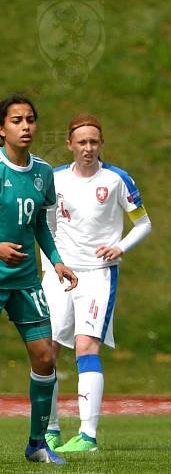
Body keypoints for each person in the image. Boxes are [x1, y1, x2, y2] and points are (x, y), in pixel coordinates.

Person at [42, 114, 151, 453]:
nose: (88, 148)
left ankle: (87, 436)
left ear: (101, 144)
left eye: (94, 142)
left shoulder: (117, 180)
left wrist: (120, 246)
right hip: (59, 275)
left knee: (87, 347)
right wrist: (50, 263)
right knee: (47, 352)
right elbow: (44, 225)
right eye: (82, 142)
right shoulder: (54, 179)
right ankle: (51, 430)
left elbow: (144, 224)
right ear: (69, 144)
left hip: (98, 275)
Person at [0, 94, 78, 464]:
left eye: (30, 119)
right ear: (2, 130)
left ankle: (36, 444)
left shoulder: (44, 172)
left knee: (45, 358)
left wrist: (57, 261)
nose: (25, 126)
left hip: (26, 280)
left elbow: (40, 227)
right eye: (16, 120)